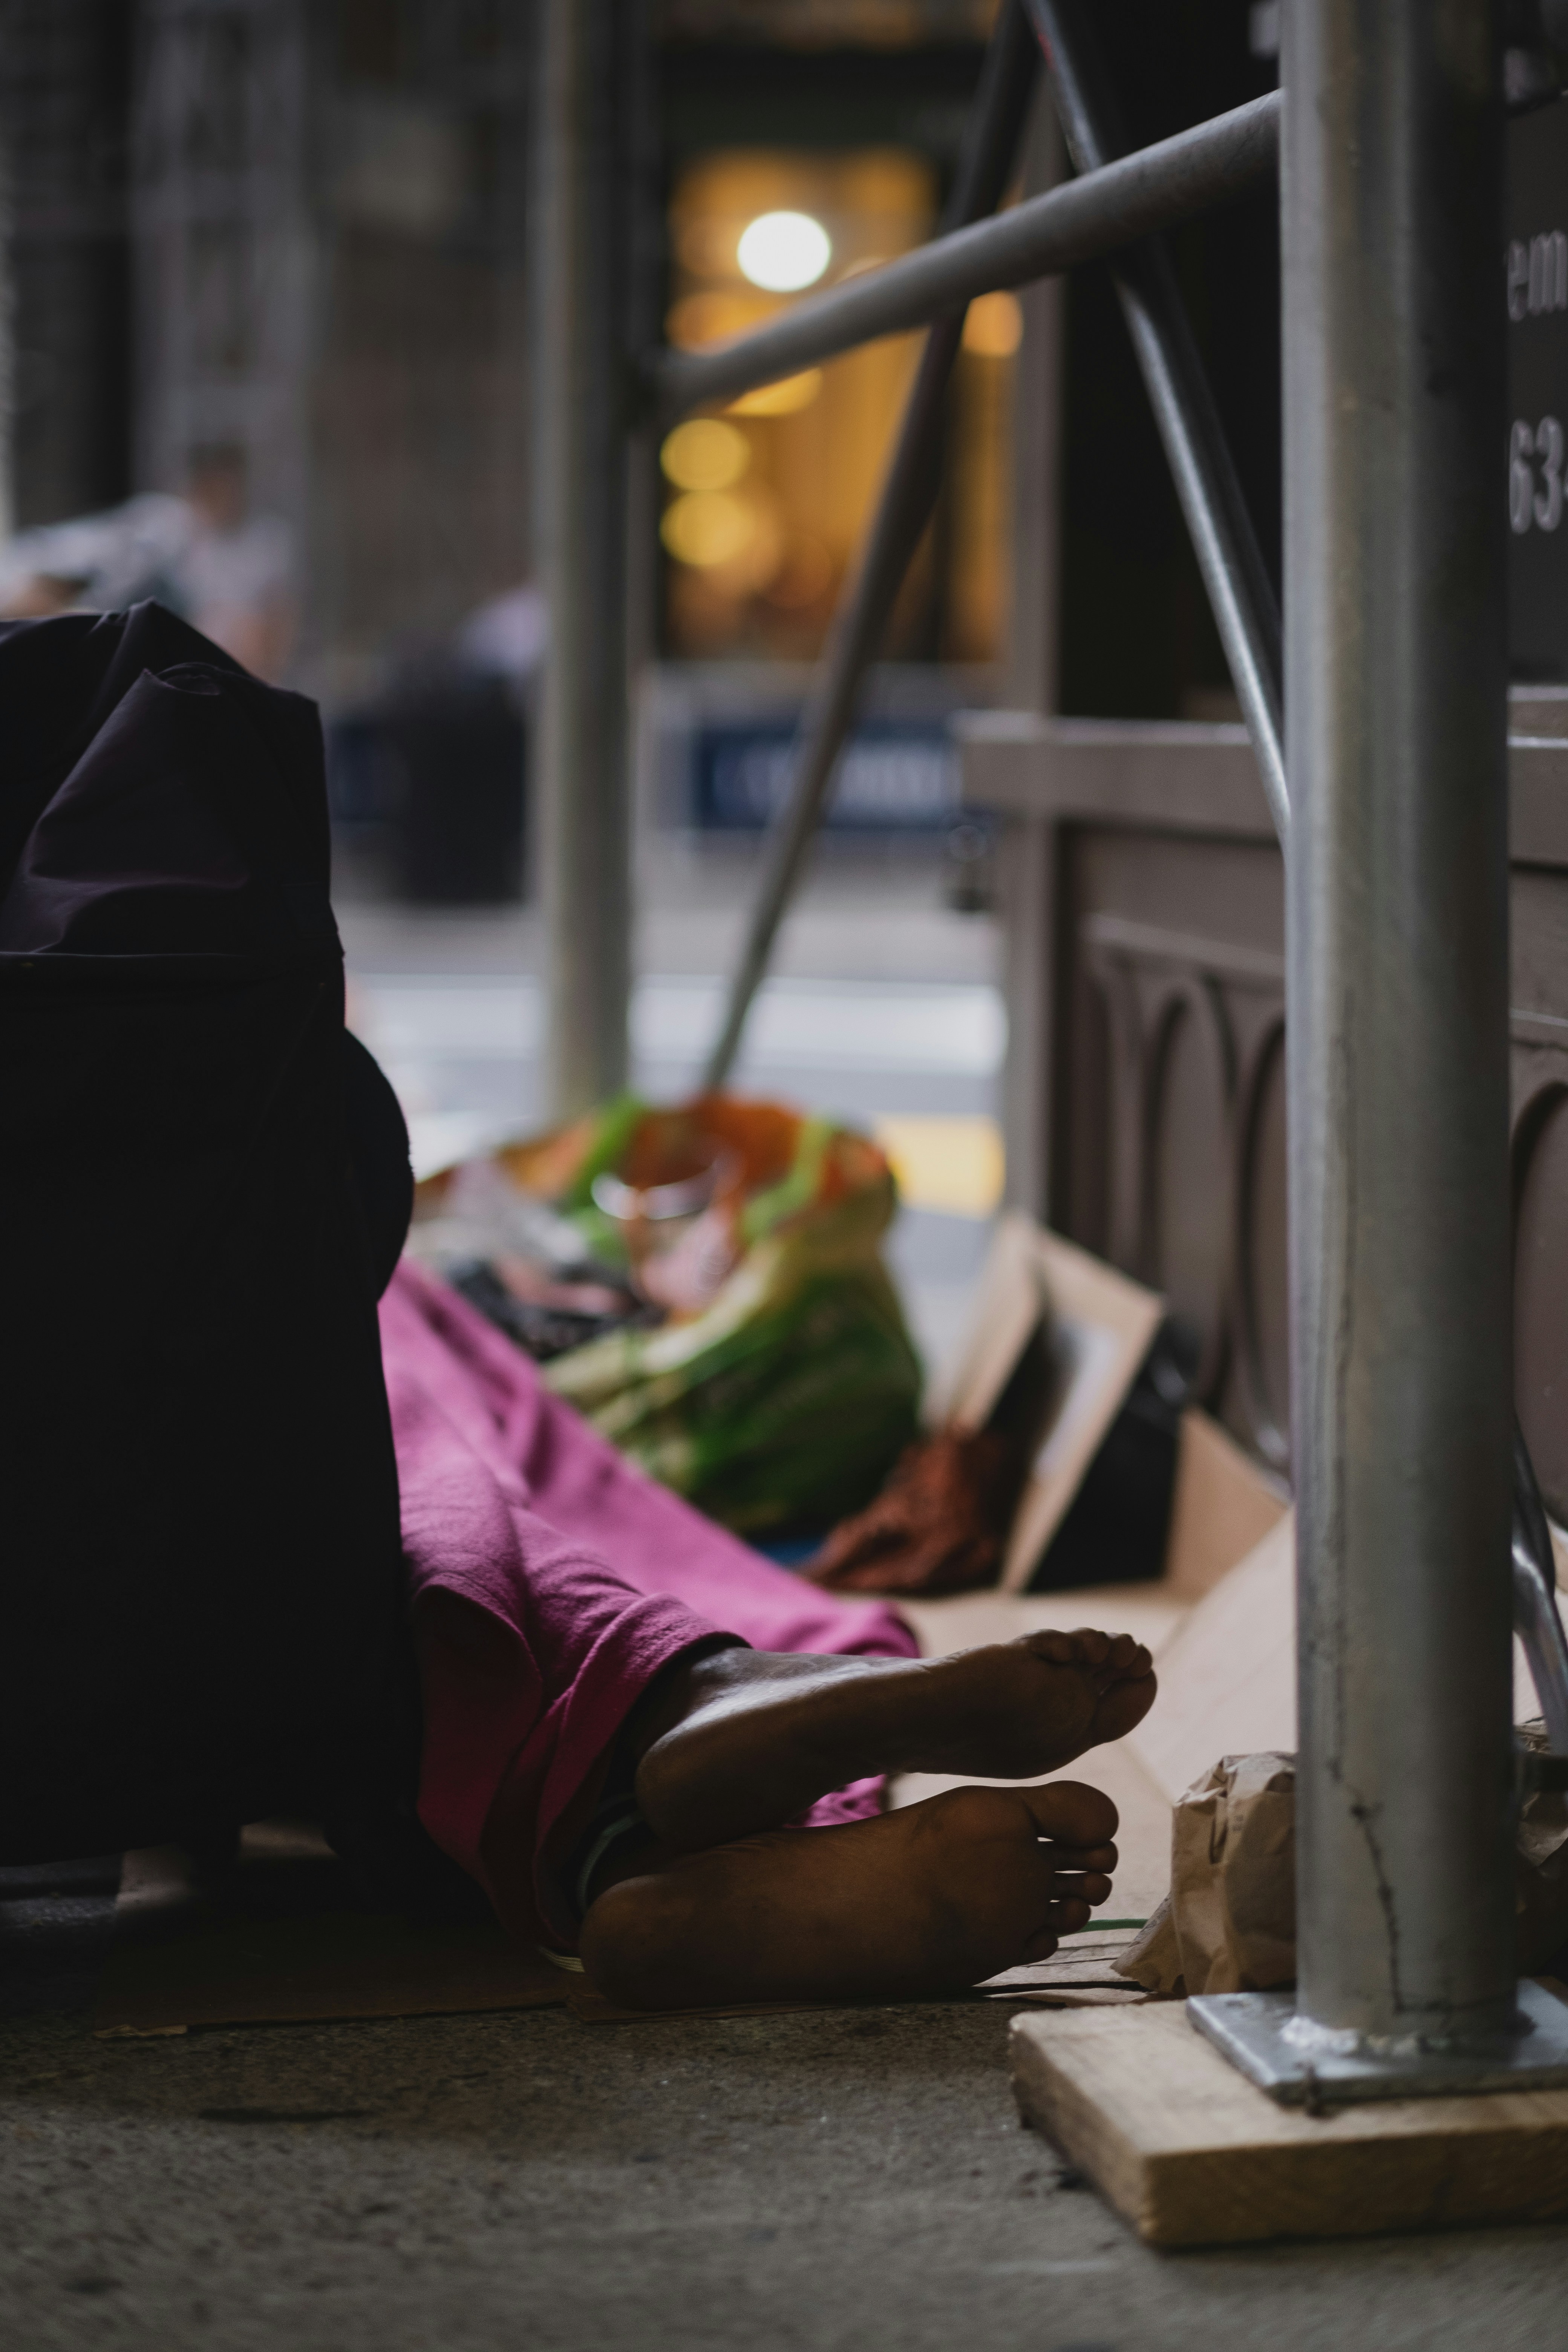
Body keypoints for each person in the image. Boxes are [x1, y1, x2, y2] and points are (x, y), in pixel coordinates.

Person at [0, 602, 1155, 2011]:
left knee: (403, 1429)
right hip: (239, 1490)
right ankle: (676, 1716)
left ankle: (647, 1812)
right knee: (405, 1401)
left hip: (127, 1561)